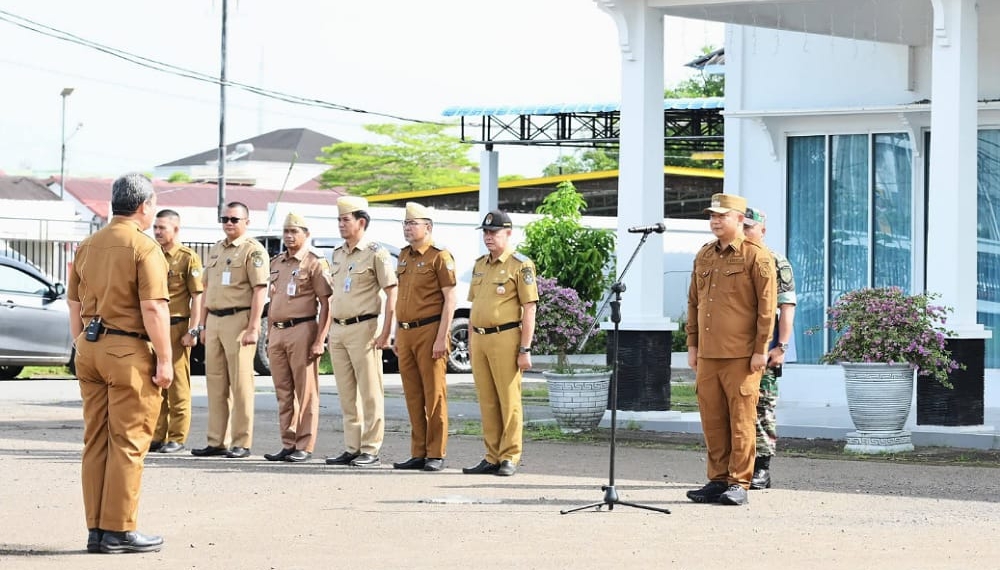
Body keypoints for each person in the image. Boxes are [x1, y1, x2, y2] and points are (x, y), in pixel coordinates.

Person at [68, 173, 172, 554]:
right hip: (127, 350)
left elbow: (74, 304)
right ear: (144, 205)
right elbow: (154, 307)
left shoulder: (87, 245)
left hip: (91, 347)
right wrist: (165, 359)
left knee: (96, 439)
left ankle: (96, 529)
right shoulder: (144, 247)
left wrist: (80, 343)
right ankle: (119, 529)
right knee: (128, 440)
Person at [685, 193, 776, 506]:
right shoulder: (704, 255)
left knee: (740, 421)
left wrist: (761, 349)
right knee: (712, 421)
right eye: (712, 216)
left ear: (739, 219)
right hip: (708, 354)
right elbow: (693, 303)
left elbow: (767, 308)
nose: (715, 221)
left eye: (721, 216)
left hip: (742, 355)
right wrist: (693, 345)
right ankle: (718, 479)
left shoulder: (756, 256)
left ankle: (739, 482)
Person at [463, 210, 538, 477]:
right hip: (480, 338)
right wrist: (471, 342)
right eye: (485, 232)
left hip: (505, 337)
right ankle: (491, 455)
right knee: (487, 400)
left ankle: (510, 455)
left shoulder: (520, 265)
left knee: (509, 400)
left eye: (493, 232)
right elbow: (474, 306)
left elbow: (529, 308)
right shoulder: (480, 264)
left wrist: (525, 349)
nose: (488, 237)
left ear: (508, 233)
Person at [324, 196, 398, 468]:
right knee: (346, 393)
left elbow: (392, 292)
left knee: (370, 392)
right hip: (339, 328)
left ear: (361, 222)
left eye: (346, 220)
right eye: (339, 220)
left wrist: (386, 332)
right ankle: (352, 447)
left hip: (364, 328)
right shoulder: (337, 253)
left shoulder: (376, 253)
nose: (341, 224)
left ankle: (370, 447)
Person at [192, 202, 269, 459]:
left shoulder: (252, 250)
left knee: (241, 384)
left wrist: (254, 327)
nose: (228, 223)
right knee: (215, 383)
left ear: (247, 222)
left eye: (234, 219)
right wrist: (202, 325)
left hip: (239, 320)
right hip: (214, 320)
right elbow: (205, 289)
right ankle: (216, 441)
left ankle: (241, 442)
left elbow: (260, 290)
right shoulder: (217, 248)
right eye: (224, 218)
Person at [391, 202, 457, 472]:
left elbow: (450, 299)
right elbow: (401, 298)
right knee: (413, 395)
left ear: (427, 227)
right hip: (406, 332)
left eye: (412, 223)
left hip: (430, 331)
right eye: (405, 224)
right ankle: (418, 451)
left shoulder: (439, 256)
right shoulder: (403, 255)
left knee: (434, 395)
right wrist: (397, 332)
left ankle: (435, 453)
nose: (407, 228)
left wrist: (442, 338)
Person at [263, 213, 333, 463]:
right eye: (286, 231)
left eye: (294, 231)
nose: (289, 236)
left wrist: (320, 339)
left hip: (302, 328)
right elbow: (273, 299)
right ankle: (288, 442)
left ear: (306, 234)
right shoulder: (277, 262)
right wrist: (270, 333)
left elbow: (326, 303)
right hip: (278, 331)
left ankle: (304, 444)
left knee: (306, 391)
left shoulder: (314, 262)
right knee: (283, 391)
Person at [742, 207, 797, 490]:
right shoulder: (731, 258)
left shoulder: (775, 261)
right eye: (740, 226)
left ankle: (762, 468)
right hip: (734, 345)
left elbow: (787, 306)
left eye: (748, 227)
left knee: (762, 406)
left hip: (765, 346)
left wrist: (781, 347)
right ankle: (738, 466)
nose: (743, 232)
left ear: (762, 231)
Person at [149, 209, 204, 455]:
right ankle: (157, 435)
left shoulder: (187, 258)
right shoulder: (151, 255)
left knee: (177, 384)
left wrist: (193, 330)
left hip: (176, 326)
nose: (157, 232)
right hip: (153, 327)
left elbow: (197, 296)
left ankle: (177, 437)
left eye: (162, 227)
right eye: (155, 227)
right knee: (156, 384)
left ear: (176, 229)